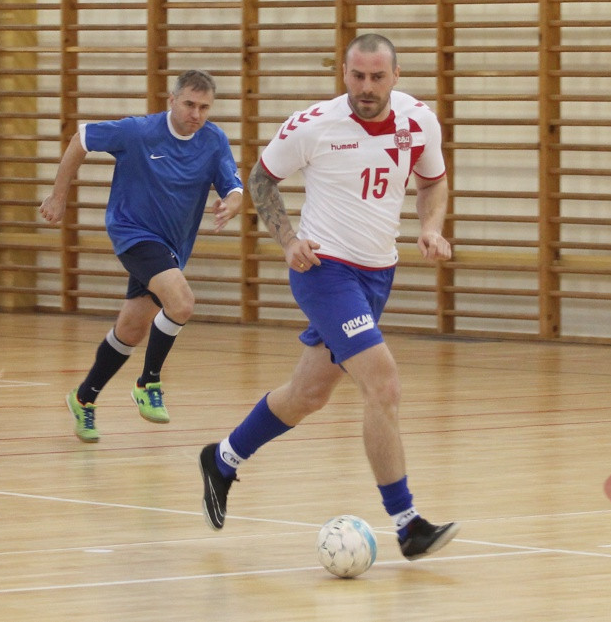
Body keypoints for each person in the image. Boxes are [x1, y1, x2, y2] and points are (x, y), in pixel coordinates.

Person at [198, 34, 461, 560]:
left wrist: (431, 227)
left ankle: (222, 458)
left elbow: (433, 182)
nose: (366, 87)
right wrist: (288, 240)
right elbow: (261, 181)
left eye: (377, 77)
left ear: (396, 76)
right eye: (357, 76)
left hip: (377, 274)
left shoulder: (419, 121)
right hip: (323, 270)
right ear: (344, 73)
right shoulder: (313, 125)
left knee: (309, 393)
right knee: (382, 383)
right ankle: (407, 523)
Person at [40, 69, 243, 443]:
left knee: (131, 330)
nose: (196, 114)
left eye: (204, 107)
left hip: (172, 247)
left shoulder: (213, 140)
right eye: (189, 104)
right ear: (171, 100)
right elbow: (81, 139)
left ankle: (83, 399)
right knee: (181, 303)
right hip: (133, 233)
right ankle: (148, 382)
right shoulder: (138, 131)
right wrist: (58, 195)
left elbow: (234, 187)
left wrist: (231, 204)